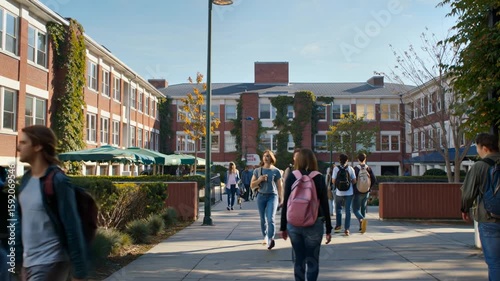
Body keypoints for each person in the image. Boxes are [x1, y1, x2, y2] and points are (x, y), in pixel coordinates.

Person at [14, 125, 88, 281]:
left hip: (51, 262)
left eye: (23, 142)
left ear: (38, 146)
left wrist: (79, 273)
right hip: (29, 264)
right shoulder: (26, 180)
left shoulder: (58, 181)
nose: (18, 147)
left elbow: (72, 226)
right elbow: (22, 222)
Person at [280, 148, 332, 281]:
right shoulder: (318, 177)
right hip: (314, 222)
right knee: (312, 260)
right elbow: (325, 204)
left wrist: (283, 227)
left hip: (294, 223)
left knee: (299, 259)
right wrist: (329, 229)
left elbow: (286, 202)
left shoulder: (292, 176)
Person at [461, 133, 500, 281]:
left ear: (484, 147)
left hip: (489, 218)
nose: (477, 151)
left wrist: (465, 209)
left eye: (477, 147)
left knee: (495, 263)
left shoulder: (480, 166)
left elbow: (468, 192)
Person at [250, 150, 283, 250]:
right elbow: (252, 185)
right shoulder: (257, 171)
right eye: (264, 156)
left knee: (271, 218)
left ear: (271, 158)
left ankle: (270, 239)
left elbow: (280, 186)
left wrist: (281, 198)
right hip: (261, 196)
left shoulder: (276, 171)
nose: (266, 158)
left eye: (268, 156)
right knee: (263, 219)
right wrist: (259, 179)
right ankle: (264, 235)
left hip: (272, 196)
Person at [332, 153, 356, 236]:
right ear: (347, 160)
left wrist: (338, 185)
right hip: (349, 192)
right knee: (348, 210)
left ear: (339, 160)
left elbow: (333, 181)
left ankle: (338, 226)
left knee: (338, 209)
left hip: (339, 192)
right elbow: (354, 181)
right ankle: (347, 229)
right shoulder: (350, 168)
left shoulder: (336, 169)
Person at [353, 153, 376, 233]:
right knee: (363, 208)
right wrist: (369, 187)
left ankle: (361, 220)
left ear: (358, 159)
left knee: (355, 209)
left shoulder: (356, 168)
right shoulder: (368, 168)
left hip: (357, 191)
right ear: (365, 159)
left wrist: (354, 188)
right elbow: (374, 179)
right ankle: (362, 227)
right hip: (366, 191)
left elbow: (353, 180)